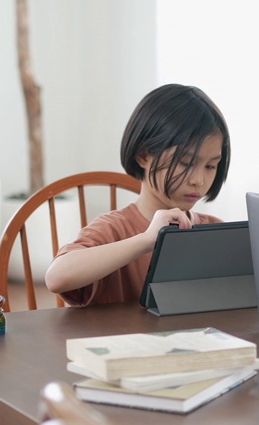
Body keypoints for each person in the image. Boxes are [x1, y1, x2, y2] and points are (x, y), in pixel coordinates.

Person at [45, 83, 231, 307]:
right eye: (186, 163)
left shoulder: (213, 231)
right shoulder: (114, 229)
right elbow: (56, 277)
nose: (198, 180)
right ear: (144, 156)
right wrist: (146, 240)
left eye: (211, 166)